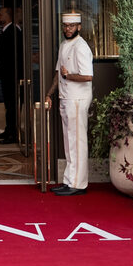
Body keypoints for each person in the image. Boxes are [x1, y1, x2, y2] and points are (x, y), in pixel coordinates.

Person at [46, 10, 93, 195]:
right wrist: (49, 94)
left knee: (77, 142)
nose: (68, 29)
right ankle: (69, 181)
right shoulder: (65, 44)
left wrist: (68, 75)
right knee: (69, 142)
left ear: (79, 27)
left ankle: (78, 184)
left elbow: (87, 76)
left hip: (77, 99)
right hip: (65, 98)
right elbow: (58, 73)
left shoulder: (81, 46)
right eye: (65, 26)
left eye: (71, 26)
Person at [0, 6, 22, 144]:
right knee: (8, 105)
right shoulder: (8, 31)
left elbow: (13, 55)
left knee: (12, 105)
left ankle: (12, 134)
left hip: (10, 76)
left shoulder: (12, 32)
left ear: (7, 16)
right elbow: (7, 51)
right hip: (6, 75)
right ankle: (9, 129)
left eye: (0, 14)